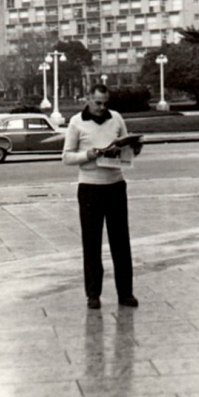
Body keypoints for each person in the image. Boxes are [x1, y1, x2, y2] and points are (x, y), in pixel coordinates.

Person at [62, 83, 142, 310]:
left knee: (121, 241)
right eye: (97, 103)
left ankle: (125, 293)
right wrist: (88, 154)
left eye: (105, 103)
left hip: (115, 184)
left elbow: (126, 145)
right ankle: (93, 294)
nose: (101, 107)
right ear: (88, 99)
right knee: (92, 241)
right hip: (90, 187)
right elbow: (66, 157)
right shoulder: (76, 122)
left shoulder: (116, 118)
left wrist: (134, 148)